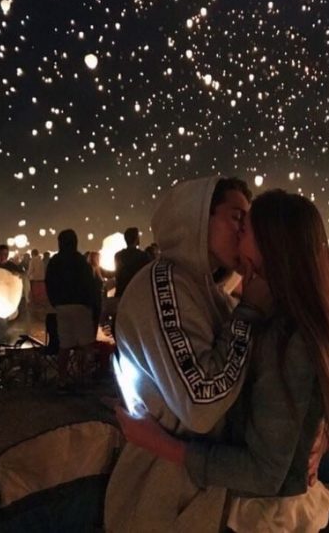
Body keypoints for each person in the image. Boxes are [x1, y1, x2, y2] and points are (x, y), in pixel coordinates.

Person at [116, 190, 329, 533]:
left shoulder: (286, 335)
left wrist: (162, 445)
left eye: (247, 226)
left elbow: (264, 472)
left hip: (265, 517)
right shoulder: (265, 311)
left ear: (272, 243)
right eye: (236, 219)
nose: (239, 231)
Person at [104, 176, 254, 532]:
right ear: (198, 216)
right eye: (236, 217)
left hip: (192, 488)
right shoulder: (165, 285)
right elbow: (201, 405)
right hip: (164, 494)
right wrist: (250, 310)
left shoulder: (208, 291)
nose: (245, 231)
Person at [45, 229, 97, 391]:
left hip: (62, 306)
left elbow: (49, 283)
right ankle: (84, 375)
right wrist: (91, 303)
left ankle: (62, 378)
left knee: (65, 344)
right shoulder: (81, 261)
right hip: (81, 305)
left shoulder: (55, 261)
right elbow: (90, 284)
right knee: (87, 343)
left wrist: (55, 302)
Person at [113, 227, 150, 301]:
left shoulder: (118, 255)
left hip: (122, 293)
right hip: (138, 293)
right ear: (136, 239)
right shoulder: (143, 256)